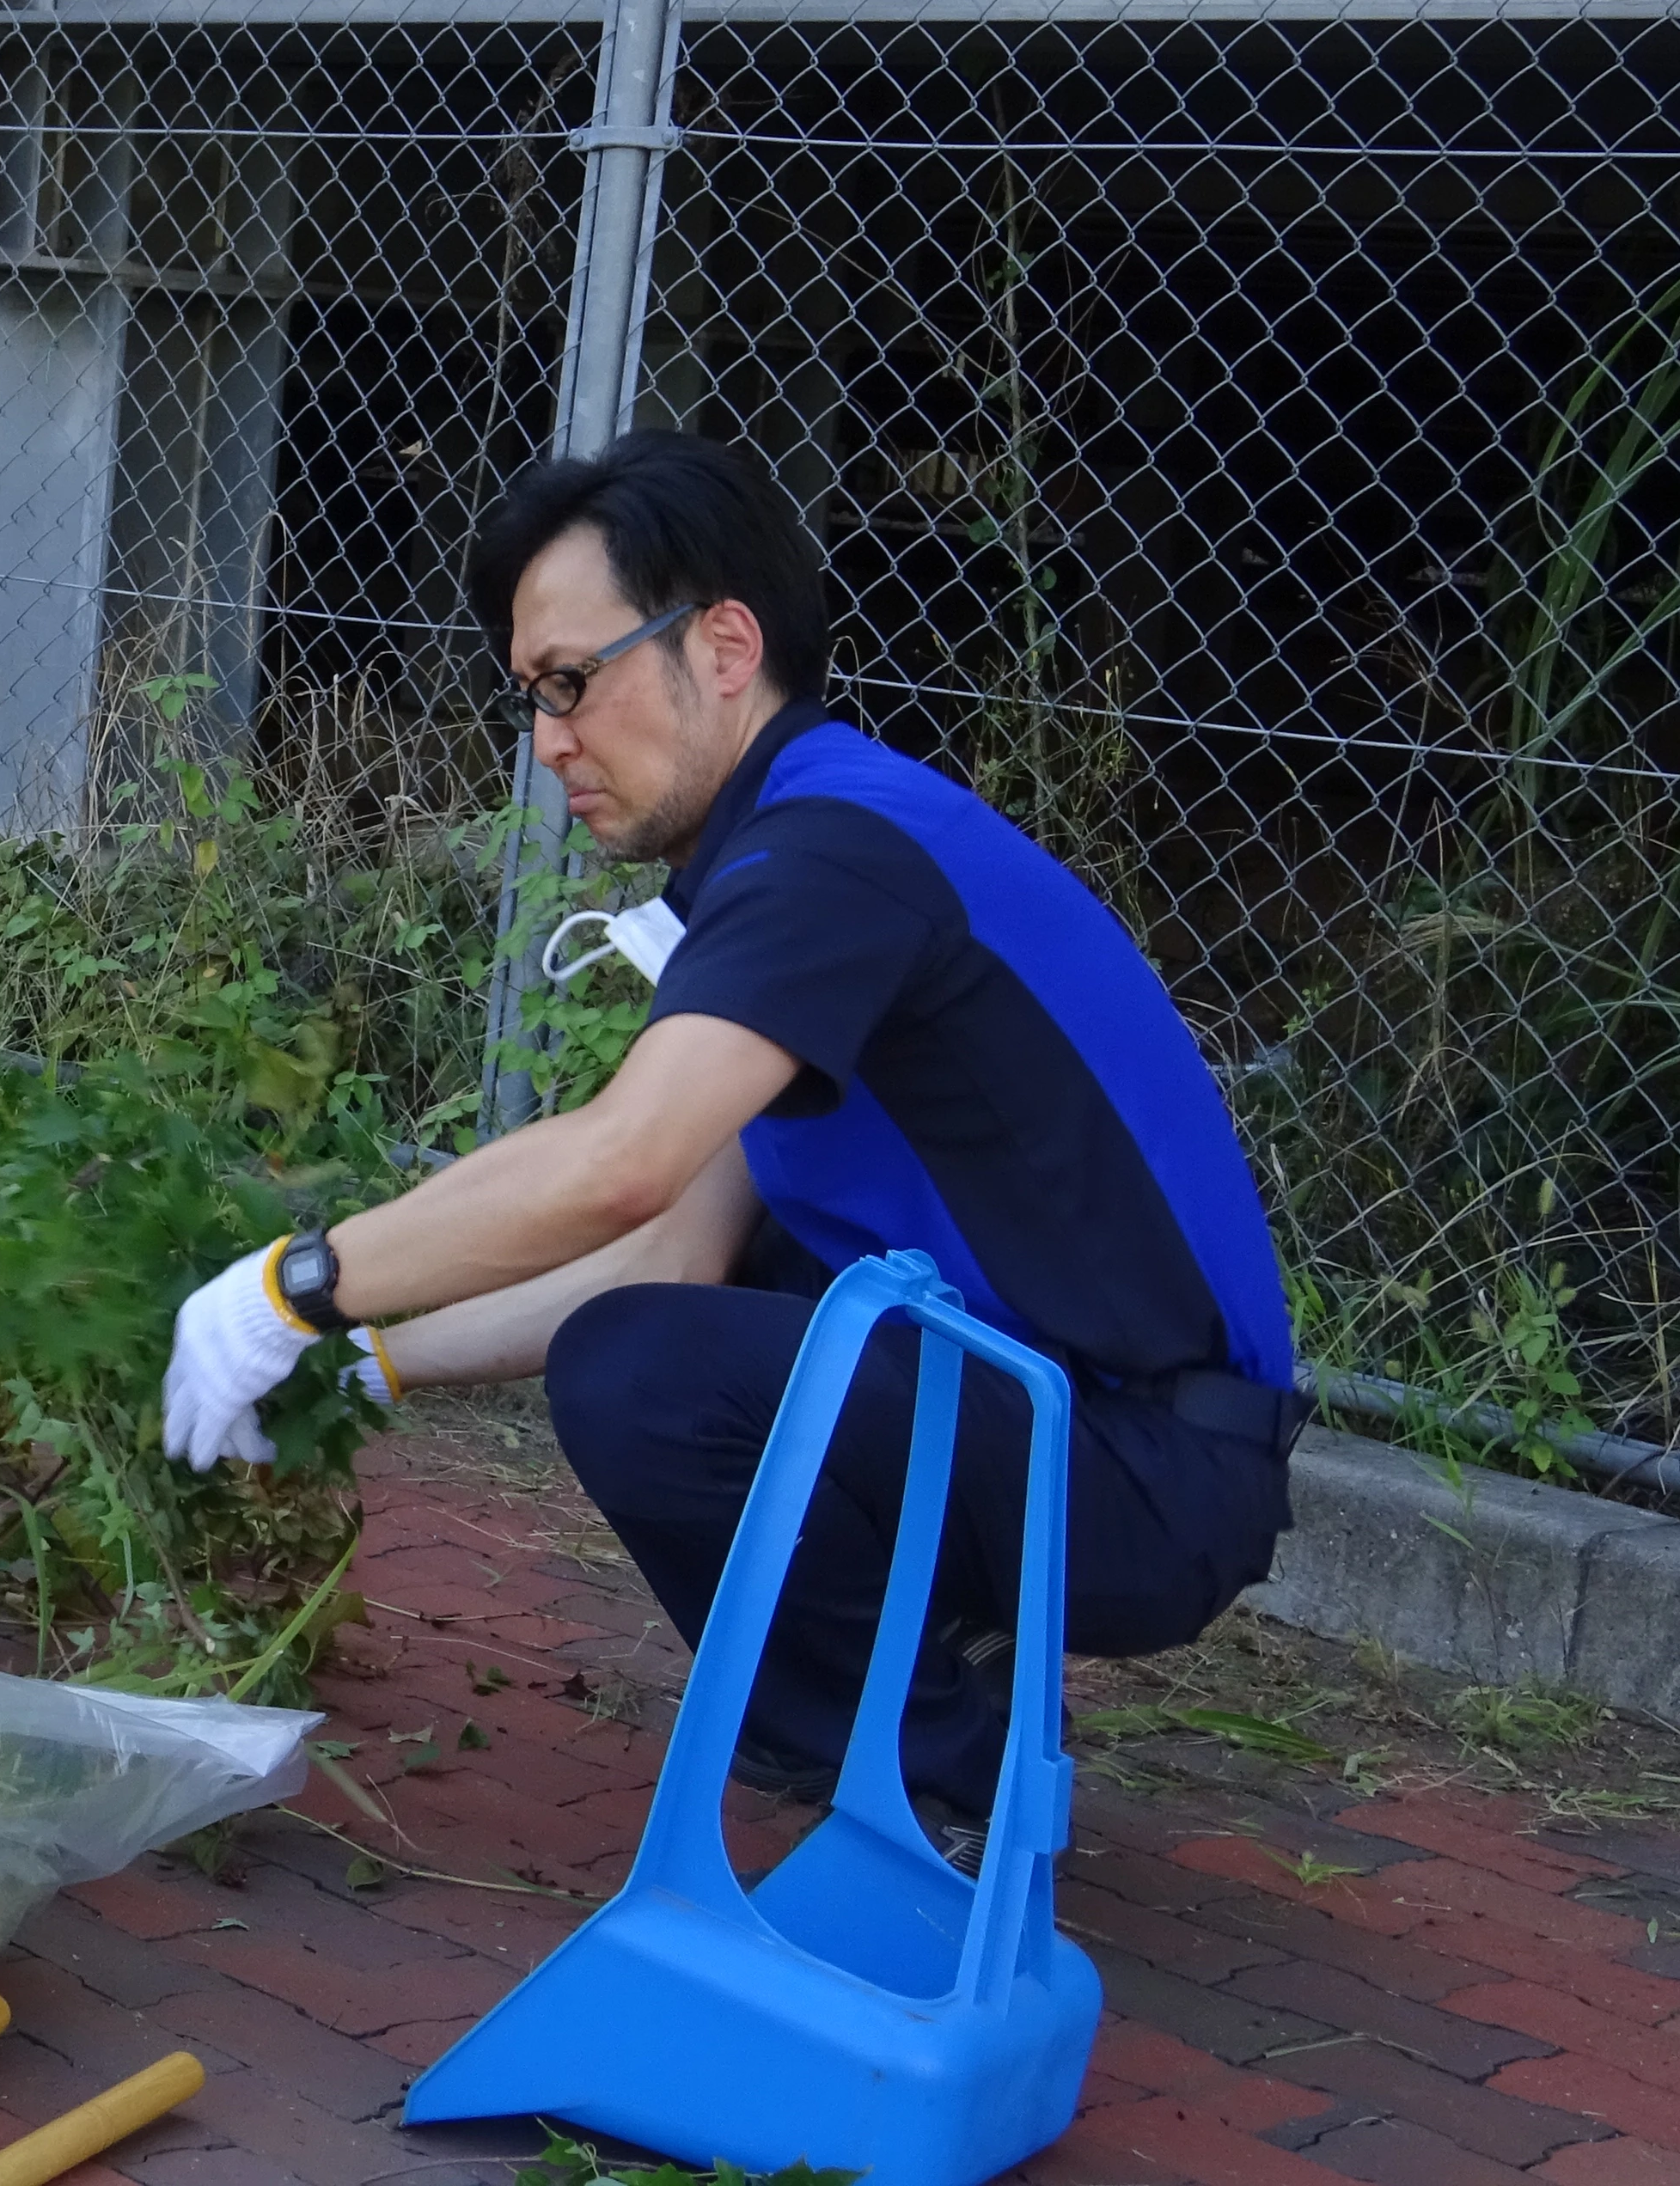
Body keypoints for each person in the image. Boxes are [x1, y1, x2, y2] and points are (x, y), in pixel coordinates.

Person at [156, 430, 1298, 1832]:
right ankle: (940, 1720)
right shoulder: (792, 857)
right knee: (695, 1320)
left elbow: (614, 1164)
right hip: (1072, 1426)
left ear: (724, 644)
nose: (548, 739)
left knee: (650, 1381)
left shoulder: (831, 857)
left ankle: (941, 1787)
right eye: (529, 695)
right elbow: (662, 1255)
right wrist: (366, 1364)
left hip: (1146, 1470)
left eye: (573, 681)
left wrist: (295, 1290)